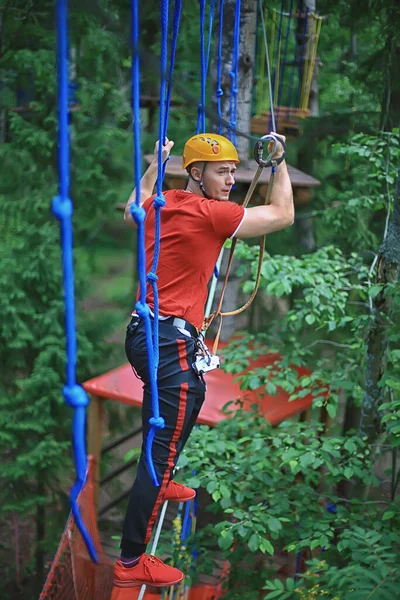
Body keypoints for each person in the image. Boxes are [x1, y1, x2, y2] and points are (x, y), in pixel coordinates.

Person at [113, 132, 293, 589]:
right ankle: (132, 561)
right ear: (197, 174)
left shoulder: (165, 203)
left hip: (150, 333)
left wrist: (156, 164)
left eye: (235, 171)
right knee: (162, 445)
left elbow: (136, 202)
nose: (231, 179)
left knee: (193, 395)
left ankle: (163, 475)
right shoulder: (212, 214)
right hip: (166, 336)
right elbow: (283, 214)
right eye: (222, 171)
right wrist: (280, 163)